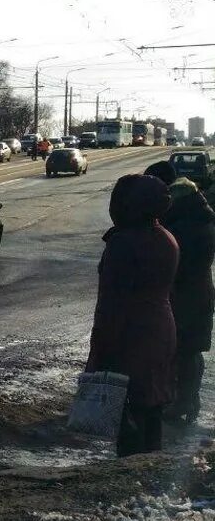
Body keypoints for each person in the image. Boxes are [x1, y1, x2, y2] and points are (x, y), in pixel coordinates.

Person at [85, 174, 178, 457]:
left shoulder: (124, 243)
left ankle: (131, 472)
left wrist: (99, 353)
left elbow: (112, 303)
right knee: (151, 404)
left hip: (130, 333)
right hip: (161, 328)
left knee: (127, 407)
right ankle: (150, 466)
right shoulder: (165, 236)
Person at [146, 160, 215, 424]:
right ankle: (185, 402)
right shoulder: (195, 213)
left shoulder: (184, 223)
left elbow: (176, 263)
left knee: (184, 352)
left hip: (187, 297)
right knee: (187, 352)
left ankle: (183, 404)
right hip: (195, 295)